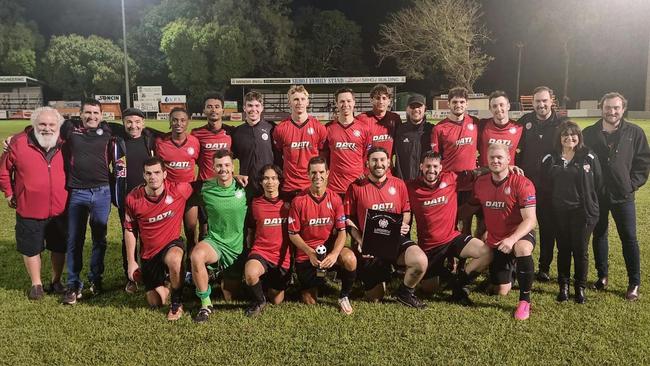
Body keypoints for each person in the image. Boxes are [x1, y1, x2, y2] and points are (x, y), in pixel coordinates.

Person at [583, 92, 650, 301]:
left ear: (623, 109)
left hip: (623, 195)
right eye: (608, 107)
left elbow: (643, 162)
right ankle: (602, 276)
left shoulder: (635, 132)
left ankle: (634, 282)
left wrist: (631, 184)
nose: (612, 111)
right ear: (601, 107)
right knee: (599, 235)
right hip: (597, 195)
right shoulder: (589, 133)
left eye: (616, 108)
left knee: (629, 238)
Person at [345, 146, 428, 308]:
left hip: (394, 241)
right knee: (375, 298)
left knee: (420, 261)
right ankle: (373, 277)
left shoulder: (398, 184)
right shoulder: (356, 187)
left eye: (382, 160)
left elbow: (406, 210)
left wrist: (403, 223)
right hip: (370, 247)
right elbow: (348, 219)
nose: (379, 164)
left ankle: (405, 293)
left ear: (389, 162)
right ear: (367, 163)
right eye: (374, 160)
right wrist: (360, 240)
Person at [462, 143, 537, 320]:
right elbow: (471, 206)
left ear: (509, 159)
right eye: (492, 158)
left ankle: (525, 302)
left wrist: (511, 240)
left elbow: (530, 220)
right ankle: (510, 272)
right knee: (501, 290)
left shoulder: (522, 183)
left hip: (519, 234)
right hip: (497, 239)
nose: (496, 161)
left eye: (500, 157)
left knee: (522, 249)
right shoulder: (481, 183)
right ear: (486, 160)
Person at [406, 151, 492, 305]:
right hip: (429, 247)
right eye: (427, 166)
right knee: (429, 289)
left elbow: (477, 172)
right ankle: (445, 274)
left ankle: (458, 286)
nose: (431, 170)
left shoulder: (452, 178)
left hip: (452, 238)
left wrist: (506, 167)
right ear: (421, 166)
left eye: (435, 166)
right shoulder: (411, 187)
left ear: (441, 168)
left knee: (486, 253)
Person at [0, 107, 68, 300]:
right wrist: (8, 193)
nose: (47, 128)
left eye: (51, 124)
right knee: (31, 247)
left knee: (59, 247)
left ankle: (56, 280)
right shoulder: (19, 143)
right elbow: (3, 172)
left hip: (60, 207)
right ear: (34, 125)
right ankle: (36, 284)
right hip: (29, 208)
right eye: (42, 124)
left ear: (59, 126)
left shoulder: (66, 143)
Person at [124, 157, 191, 320]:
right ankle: (171, 280)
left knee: (175, 258)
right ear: (143, 175)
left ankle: (177, 303)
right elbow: (130, 230)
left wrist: (235, 177)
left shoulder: (179, 190)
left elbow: (207, 184)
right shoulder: (133, 199)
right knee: (156, 301)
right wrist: (132, 261)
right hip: (149, 254)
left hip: (171, 244)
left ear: (165, 174)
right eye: (148, 173)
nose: (152, 177)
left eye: (157, 173)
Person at [542, 121, 602, 303]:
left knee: (580, 250)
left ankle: (580, 287)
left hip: (582, 212)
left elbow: (598, 183)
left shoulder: (588, 156)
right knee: (563, 249)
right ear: (559, 138)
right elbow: (545, 185)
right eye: (565, 135)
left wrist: (589, 204)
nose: (569, 138)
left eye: (573, 134)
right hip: (558, 212)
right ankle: (564, 286)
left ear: (579, 137)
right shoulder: (550, 158)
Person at [288, 156, 357, 314]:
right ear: (307, 174)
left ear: (327, 173)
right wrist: (309, 252)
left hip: (328, 249)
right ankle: (309, 281)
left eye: (321, 172)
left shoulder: (335, 199)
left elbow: (341, 231)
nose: (317, 176)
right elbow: (293, 234)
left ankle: (344, 296)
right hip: (307, 255)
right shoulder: (298, 201)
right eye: (313, 172)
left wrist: (334, 254)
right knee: (309, 301)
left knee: (350, 259)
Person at [62, 99, 113, 304]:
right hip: (78, 193)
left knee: (99, 238)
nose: (92, 117)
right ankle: (73, 283)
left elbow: (137, 127)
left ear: (101, 115)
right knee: (75, 239)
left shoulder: (109, 131)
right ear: (80, 114)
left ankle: (95, 278)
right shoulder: (70, 130)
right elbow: (41, 128)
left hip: (103, 191)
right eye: (88, 113)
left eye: (95, 113)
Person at [191, 150, 248, 323]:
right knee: (196, 255)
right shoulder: (204, 187)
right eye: (219, 166)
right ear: (213, 167)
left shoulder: (245, 186)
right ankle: (206, 304)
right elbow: (177, 189)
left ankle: (216, 273)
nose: (223, 169)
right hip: (215, 242)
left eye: (227, 165)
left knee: (230, 296)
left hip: (236, 248)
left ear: (233, 167)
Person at [517, 86, 567, 282]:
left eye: (544, 101)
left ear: (551, 101)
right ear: (533, 103)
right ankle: (515, 264)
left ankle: (544, 268)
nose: (541, 105)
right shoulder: (525, 121)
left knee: (548, 228)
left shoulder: (561, 123)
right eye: (537, 101)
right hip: (525, 186)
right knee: (521, 226)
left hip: (551, 187)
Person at [110, 107, 156, 293]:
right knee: (128, 238)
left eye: (137, 122)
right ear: (123, 123)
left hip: (147, 197)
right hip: (126, 197)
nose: (133, 126)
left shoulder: (149, 139)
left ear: (143, 123)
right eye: (129, 122)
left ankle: (149, 273)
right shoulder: (116, 141)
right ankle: (129, 276)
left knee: (148, 237)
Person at [155, 107, 200, 282]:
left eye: (182, 120)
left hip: (189, 195)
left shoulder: (195, 142)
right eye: (175, 120)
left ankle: (190, 271)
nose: (178, 123)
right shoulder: (161, 144)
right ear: (169, 122)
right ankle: (167, 270)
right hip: (169, 197)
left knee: (190, 231)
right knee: (167, 234)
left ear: (188, 121)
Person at [431, 87, 480, 235]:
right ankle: (450, 257)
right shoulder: (439, 128)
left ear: (467, 104)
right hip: (449, 183)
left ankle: (463, 258)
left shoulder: (475, 123)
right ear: (448, 104)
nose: (458, 105)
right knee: (450, 222)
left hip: (470, 182)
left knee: (467, 224)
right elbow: (435, 158)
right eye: (455, 102)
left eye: (462, 102)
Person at [244, 164, 291, 317]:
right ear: (261, 182)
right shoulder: (254, 203)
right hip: (261, 252)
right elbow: (250, 229)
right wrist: (250, 250)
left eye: (273, 178)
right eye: (265, 178)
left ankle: (267, 286)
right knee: (250, 273)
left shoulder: (288, 203)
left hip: (282, 258)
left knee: (276, 299)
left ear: (279, 181)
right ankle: (259, 301)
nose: (269, 182)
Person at [272, 85, 327, 200]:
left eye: (302, 99)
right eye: (296, 99)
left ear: (308, 102)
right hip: (290, 186)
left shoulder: (319, 127)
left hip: (312, 185)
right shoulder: (280, 129)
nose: (299, 102)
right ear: (289, 102)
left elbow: (323, 155)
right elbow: (278, 154)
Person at [324, 87, 370, 198]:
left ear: (354, 102)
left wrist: (364, 175)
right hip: (335, 187)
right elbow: (324, 157)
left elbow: (367, 155)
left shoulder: (364, 128)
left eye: (348, 101)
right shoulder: (328, 128)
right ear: (336, 104)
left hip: (358, 185)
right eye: (342, 101)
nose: (346, 104)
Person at [231, 91, 277, 196]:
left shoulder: (272, 128)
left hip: (269, 185)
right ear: (244, 108)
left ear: (262, 108)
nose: (253, 109)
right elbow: (230, 158)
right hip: (246, 185)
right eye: (250, 105)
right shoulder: (237, 132)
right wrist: (234, 176)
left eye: (257, 105)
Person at [191, 94, 233, 182]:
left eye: (217, 107)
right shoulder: (196, 133)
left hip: (226, 183)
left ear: (223, 110)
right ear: (204, 110)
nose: (213, 110)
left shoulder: (232, 132)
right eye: (209, 107)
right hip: (205, 184)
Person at [477, 91, 523, 168]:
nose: (498, 109)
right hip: (485, 175)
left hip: (508, 176)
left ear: (508, 106)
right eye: (494, 106)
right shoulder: (482, 125)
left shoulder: (519, 128)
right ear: (490, 109)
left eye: (501, 105)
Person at [393, 94, 433, 180]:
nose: (416, 109)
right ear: (407, 109)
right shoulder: (399, 130)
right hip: (403, 183)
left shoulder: (432, 130)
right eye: (412, 106)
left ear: (425, 109)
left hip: (425, 184)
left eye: (419, 106)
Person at [356, 84, 402, 160]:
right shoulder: (362, 118)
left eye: (384, 98)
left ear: (389, 101)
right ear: (371, 100)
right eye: (377, 98)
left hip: (387, 170)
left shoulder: (395, 119)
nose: (381, 101)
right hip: (367, 170)